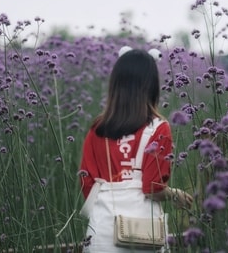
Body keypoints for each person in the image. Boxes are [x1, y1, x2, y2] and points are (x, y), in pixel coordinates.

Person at [79, 48, 193, 252]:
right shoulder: (159, 128)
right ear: (151, 86)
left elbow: (86, 182)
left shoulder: (98, 129)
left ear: (115, 84)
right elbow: (152, 187)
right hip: (144, 233)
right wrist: (175, 194)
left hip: (102, 231)